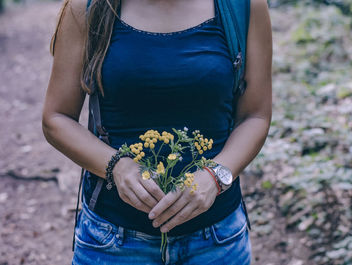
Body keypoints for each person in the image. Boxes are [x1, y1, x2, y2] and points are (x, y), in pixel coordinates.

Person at [41, 0, 272, 264]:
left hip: (217, 242)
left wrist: (215, 176)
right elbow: (56, 118)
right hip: (113, 242)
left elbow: (255, 116)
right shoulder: (86, 8)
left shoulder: (243, 6)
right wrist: (116, 166)